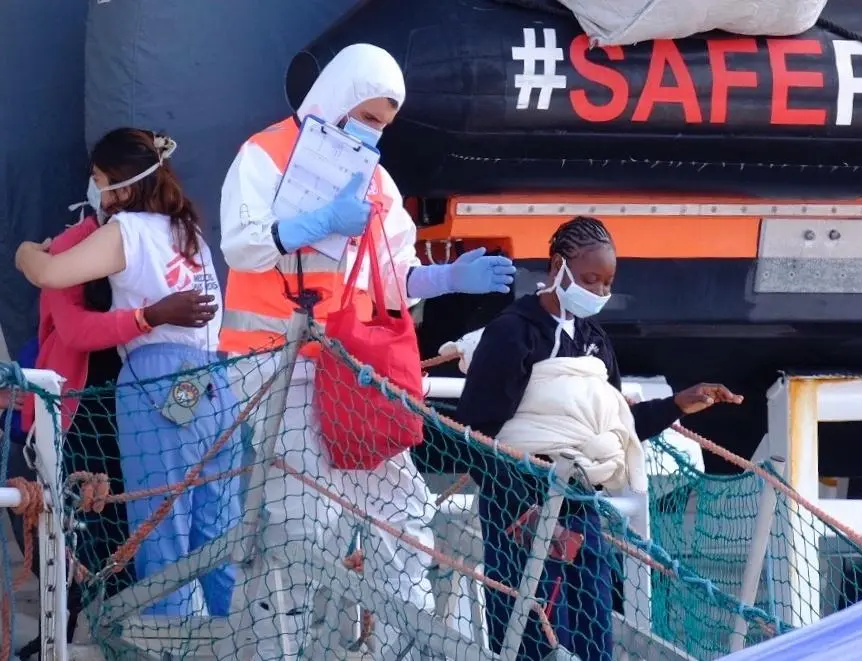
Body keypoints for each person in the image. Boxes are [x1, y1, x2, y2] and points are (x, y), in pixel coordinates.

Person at [218, 42, 515, 658]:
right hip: (276, 367)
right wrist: (309, 222)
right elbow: (243, 245)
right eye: (370, 115)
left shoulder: (376, 181)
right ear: (341, 95)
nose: (374, 131)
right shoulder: (265, 155)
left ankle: (409, 644)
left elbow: (393, 274)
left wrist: (444, 278)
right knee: (302, 519)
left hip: (352, 374)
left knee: (400, 509)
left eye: (383, 123)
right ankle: (287, 648)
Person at [455, 216, 743, 661]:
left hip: (581, 503)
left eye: (607, 283)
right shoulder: (514, 333)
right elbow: (476, 432)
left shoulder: (595, 340)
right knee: (531, 634)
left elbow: (614, 429)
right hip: (521, 503)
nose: (600, 292)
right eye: (590, 280)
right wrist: (525, 508)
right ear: (557, 267)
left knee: (592, 630)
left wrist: (677, 404)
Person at [15, 127, 240, 618]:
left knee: (161, 527)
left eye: (99, 179)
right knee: (217, 530)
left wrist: (25, 251)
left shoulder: (128, 230)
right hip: (214, 383)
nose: (96, 189)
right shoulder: (190, 233)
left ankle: (171, 643)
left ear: (119, 184)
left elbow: (50, 274)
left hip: (157, 381)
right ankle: (235, 639)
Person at [10, 206, 217, 653]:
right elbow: (71, 325)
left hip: (147, 397)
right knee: (71, 525)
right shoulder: (78, 248)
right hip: (78, 407)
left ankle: (146, 635)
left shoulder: (165, 238)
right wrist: (150, 316)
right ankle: (64, 636)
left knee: (155, 523)